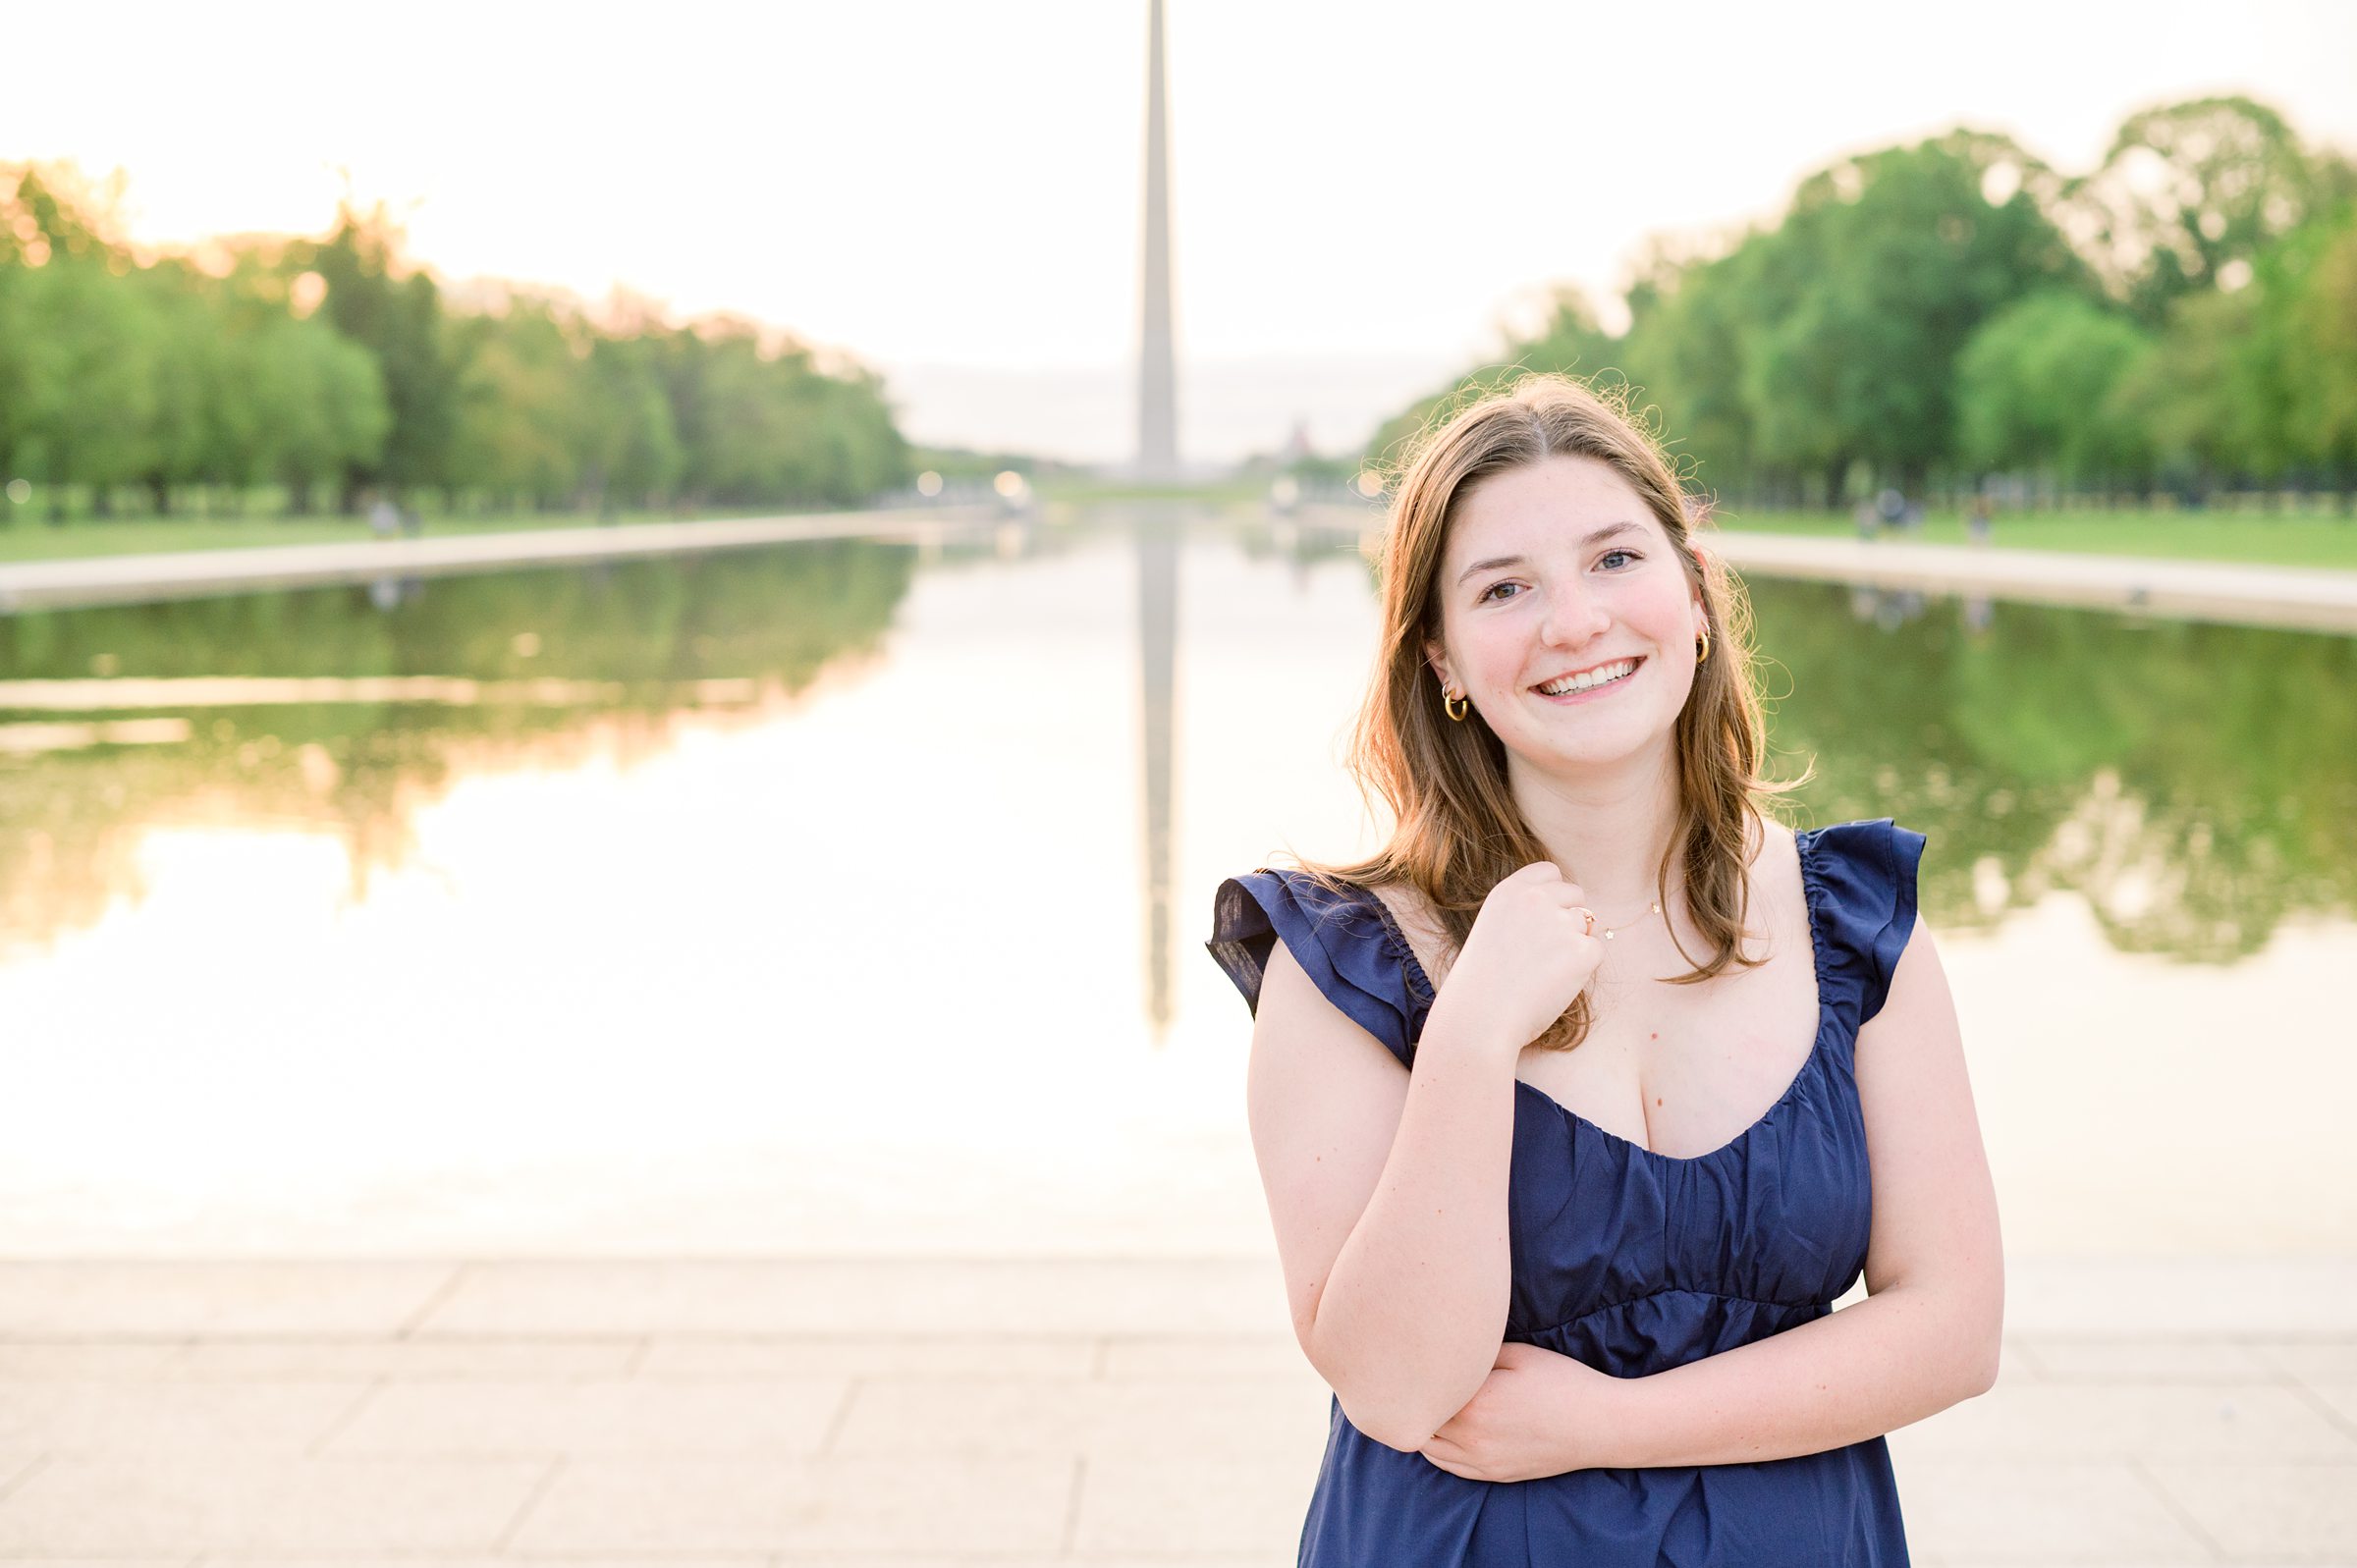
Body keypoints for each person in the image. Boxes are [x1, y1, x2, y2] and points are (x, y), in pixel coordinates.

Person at [1204, 374, 2001, 1566]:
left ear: (1695, 596)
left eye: (1615, 559)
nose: (1574, 621)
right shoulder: (1344, 961)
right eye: (1505, 588)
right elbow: (1398, 1386)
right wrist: (1470, 1036)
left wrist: (1608, 1423)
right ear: (1444, 658)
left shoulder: (1851, 920)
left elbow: (1954, 1328)